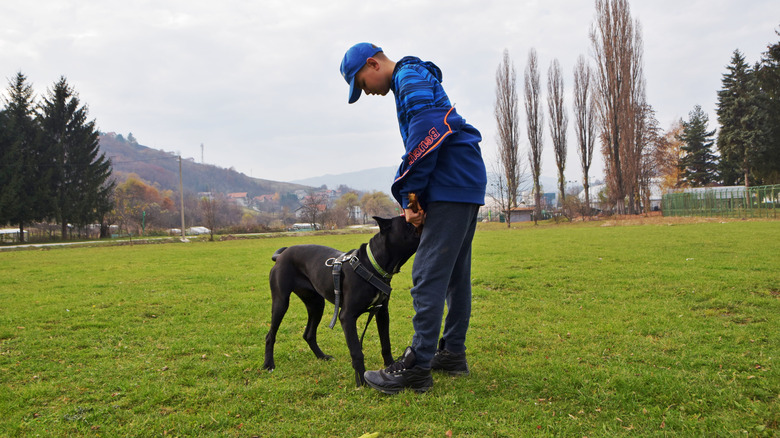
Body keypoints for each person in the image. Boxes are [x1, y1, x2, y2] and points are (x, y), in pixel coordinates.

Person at [340, 43, 487, 394]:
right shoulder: (415, 76)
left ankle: (417, 366)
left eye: (361, 83)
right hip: (463, 182)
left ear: (372, 64)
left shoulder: (407, 77)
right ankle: (451, 352)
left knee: (426, 275)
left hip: (451, 183)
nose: (366, 92)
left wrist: (409, 195)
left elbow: (426, 132)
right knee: (453, 275)